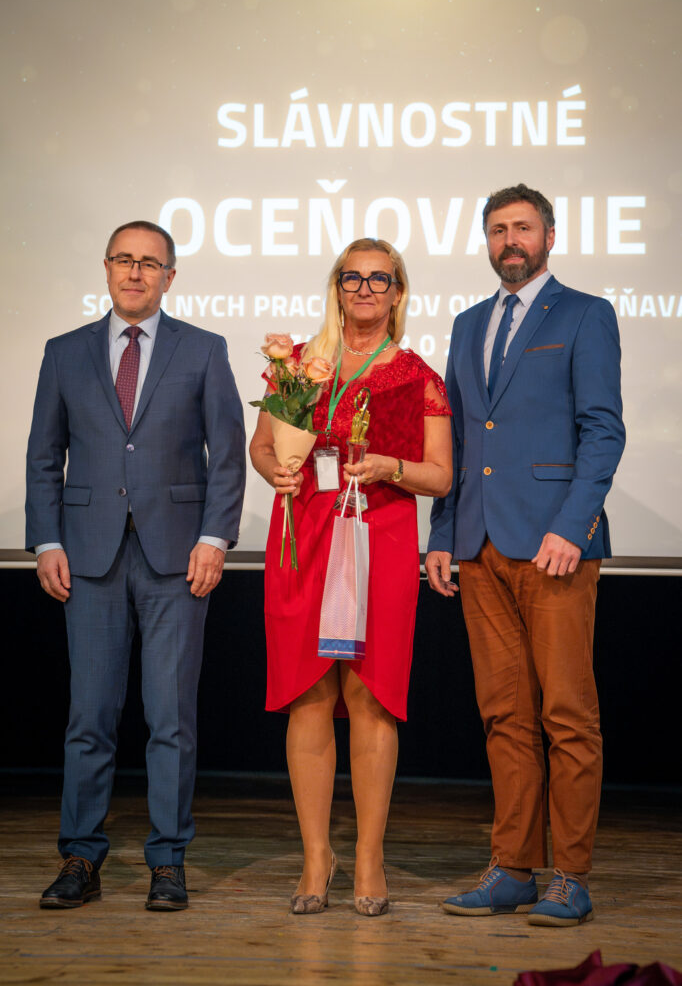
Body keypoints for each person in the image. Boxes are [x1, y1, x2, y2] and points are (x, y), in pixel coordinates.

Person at [26, 220, 246, 911]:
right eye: (124, 259)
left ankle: (167, 861)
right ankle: (80, 858)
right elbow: (44, 457)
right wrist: (46, 541)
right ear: (106, 267)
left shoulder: (203, 349)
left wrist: (215, 538)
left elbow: (228, 455)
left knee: (170, 718)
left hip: (177, 559)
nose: (135, 271)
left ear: (169, 277)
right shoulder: (63, 352)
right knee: (89, 717)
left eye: (150, 263)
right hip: (86, 557)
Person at [426, 185, 625, 927]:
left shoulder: (585, 314)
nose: (510, 240)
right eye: (498, 230)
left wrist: (573, 526)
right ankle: (512, 867)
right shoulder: (467, 323)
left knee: (567, 716)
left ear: (549, 236)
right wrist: (443, 534)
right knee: (504, 716)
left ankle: (569, 875)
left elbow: (603, 430)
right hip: (479, 545)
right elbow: (457, 440)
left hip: (555, 547)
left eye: (523, 228)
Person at [250, 238, 452, 916]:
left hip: (379, 538)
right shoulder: (299, 366)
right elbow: (262, 445)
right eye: (353, 277)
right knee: (308, 695)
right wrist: (274, 471)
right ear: (337, 287)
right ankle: (317, 857)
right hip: (302, 533)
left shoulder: (418, 376)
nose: (365, 289)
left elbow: (440, 476)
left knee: (370, 695)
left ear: (398, 292)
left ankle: (368, 857)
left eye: (379, 279)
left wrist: (390, 467)